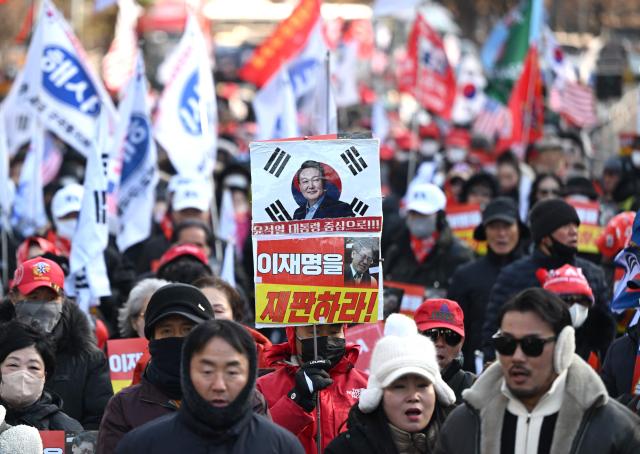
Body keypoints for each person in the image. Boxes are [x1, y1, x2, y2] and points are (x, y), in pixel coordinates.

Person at [436, 288, 640, 454]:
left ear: (564, 347)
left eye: (532, 344)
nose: (517, 356)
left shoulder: (617, 430)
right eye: (506, 343)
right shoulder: (463, 424)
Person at [115, 320, 304, 454]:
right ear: (187, 372)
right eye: (207, 371)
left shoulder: (282, 447)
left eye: (232, 373)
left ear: (249, 375)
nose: (219, 385)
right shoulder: (142, 446)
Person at [481, 199, 609, 360]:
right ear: (545, 237)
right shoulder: (513, 275)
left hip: (583, 368)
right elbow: (493, 331)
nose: (574, 231)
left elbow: (606, 335)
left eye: (575, 225)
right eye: (565, 226)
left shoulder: (592, 274)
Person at [97, 283, 215, 454]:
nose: (177, 339)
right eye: (166, 331)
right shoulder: (124, 406)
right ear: (152, 340)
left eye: (188, 330)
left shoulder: (241, 399)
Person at [1, 257, 112, 429]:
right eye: (33, 297)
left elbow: (100, 422)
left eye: (50, 298)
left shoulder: (89, 358)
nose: (42, 306)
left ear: (62, 300)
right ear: (14, 297)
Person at [325, 314, 456, 454]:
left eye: (422, 385)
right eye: (399, 387)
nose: (413, 396)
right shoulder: (345, 450)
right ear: (378, 396)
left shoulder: (464, 443)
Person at [257, 323, 368, 453]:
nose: (326, 340)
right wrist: (295, 402)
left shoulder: (367, 385)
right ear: (293, 333)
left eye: (334, 332)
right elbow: (255, 443)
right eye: (313, 332)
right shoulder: (262, 388)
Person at [448, 197, 529, 371]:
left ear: (518, 229)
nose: (501, 233)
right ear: (484, 231)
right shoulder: (465, 275)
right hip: (474, 370)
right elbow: (454, 330)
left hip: (527, 364)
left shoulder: (534, 273)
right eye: (494, 227)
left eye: (507, 226)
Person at [383, 183, 473, 296]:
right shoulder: (395, 251)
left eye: (424, 214)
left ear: (440, 216)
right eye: (413, 213)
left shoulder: (459, 254)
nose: (417, 219)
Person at [0, 321, 83, 431]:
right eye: (13, 365)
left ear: (44, 376)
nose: (23, 374)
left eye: (33, 367)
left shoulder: (65, 428)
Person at [536, 264, 616, 370]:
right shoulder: (533, 340)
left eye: (583, 300)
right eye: (567, 300)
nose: (576, 306)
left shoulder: (602, 344)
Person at [193, 276, 271, 369]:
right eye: (201, 309)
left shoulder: (266, 359)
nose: (209, 317)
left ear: (235, 316)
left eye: (218, 310)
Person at [414, 299, 475, 403]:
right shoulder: (392, 380)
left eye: (451, 337)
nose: (440, 344)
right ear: (413, 336)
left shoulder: (474, 388)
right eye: (431, 334)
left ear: (462, 342)